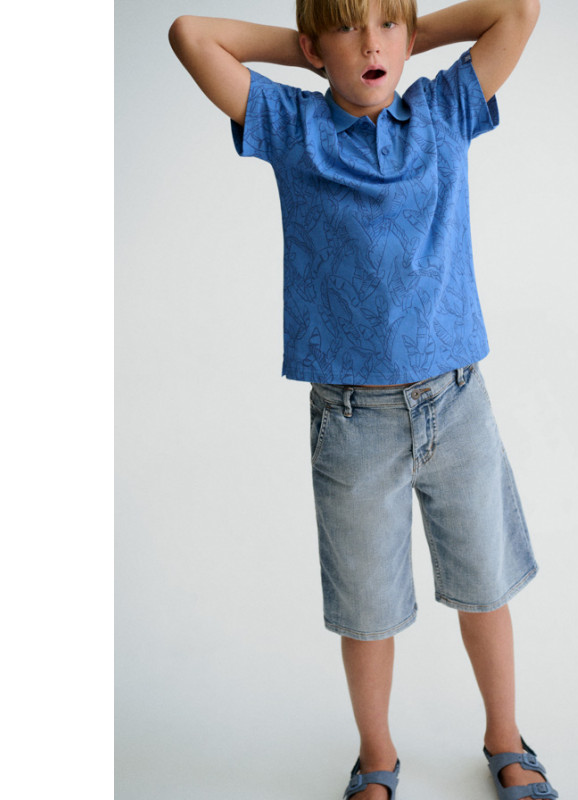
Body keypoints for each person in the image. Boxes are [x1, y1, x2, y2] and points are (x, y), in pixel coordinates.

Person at [168, 1, 556, 798]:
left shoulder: (443, 110)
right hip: (352, 423)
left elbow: (518, 9)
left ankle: (505, 737)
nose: (370, 43)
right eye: (348, 28)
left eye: (385, 26)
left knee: (484, 589)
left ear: (406, 40)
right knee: (366, 611)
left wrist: (406, 35)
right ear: (316, 47)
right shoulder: (292, 127)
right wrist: (312, 49)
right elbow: (190, 36)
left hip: (457, 404)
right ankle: (375, 757)